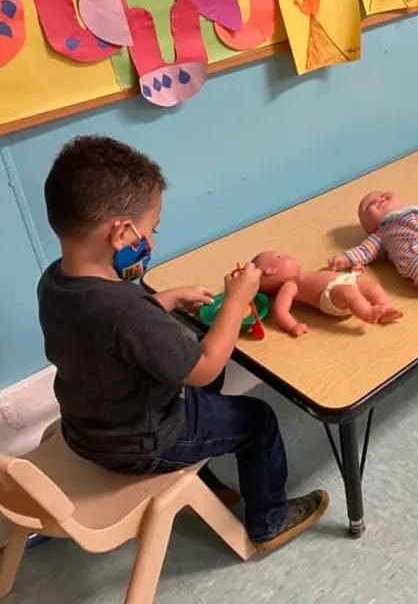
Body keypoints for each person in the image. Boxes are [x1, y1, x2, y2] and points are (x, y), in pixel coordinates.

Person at [37, 136, 328, 552]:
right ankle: (270, 519)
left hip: (89, 426)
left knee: (195, 359)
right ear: (122, 233)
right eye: (151, 229)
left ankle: (203, 474)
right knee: (258, 419)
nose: (152, 239)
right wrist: (239, 301)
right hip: (142, 442)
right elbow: (205, 366)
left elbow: (103, 331)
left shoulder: (56, 280)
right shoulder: (124, 309)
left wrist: (163, 300)